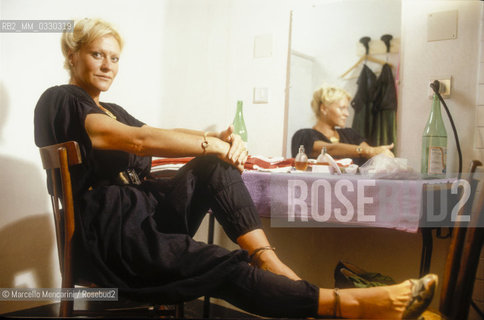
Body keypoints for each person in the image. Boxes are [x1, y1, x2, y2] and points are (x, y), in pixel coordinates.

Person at [34, 18, 437, 318]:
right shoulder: (60, 99)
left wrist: (218, 140)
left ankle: (269, 260)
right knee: (222, 263)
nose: (107, 65)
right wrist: (214, 143)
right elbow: (137, 141)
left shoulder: (113, 109)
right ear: (73, 55)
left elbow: (161, 131)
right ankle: (348, 304)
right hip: (110, 232)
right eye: (96, 54)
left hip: (144, 216)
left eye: (114, 57)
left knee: (214, 167)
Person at [291, 85, 394, 166]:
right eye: (341, 108)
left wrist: (381, 154)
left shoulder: (350, 134)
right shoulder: (304, 135)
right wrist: (369, 150)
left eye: (347, 108)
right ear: (324, 109)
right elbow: (328, 150)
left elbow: (369, 153)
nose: (347, 114)